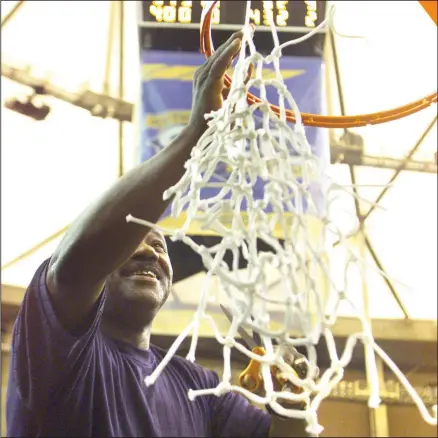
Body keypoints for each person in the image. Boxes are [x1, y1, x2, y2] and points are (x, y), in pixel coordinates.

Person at [6, 32, 310, 437]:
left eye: (159, 245)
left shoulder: (197, 388)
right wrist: (193, 138)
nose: (149, 251)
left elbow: (277, 431)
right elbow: (75, 263)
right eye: (134, 240)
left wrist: (288, 393)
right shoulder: (59, 348)